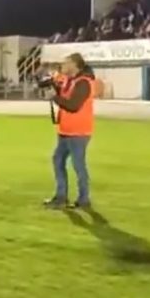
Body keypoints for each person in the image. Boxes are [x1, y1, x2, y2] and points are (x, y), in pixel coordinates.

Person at [44, 53, 96, 210]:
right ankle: (61, 197)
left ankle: (83, 199)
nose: (63, 66)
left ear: (75, 65)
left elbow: (73, 105)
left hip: (79, 132)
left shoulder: (84, 83)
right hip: (66, 131)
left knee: (78, 165)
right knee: (58, 160)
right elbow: (63, 96)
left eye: (66, 63)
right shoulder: (70, 81)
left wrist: (55, 97)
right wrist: (53, 87)